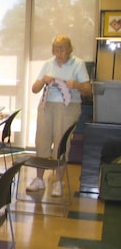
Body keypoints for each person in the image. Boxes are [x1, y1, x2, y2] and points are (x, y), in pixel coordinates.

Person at [27, 35, 91, 197]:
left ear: (69, 49)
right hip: (47, 106)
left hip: (68, 107)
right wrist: (43, 81)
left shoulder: (78, 64)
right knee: (42, 141)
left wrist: (74, 84)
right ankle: (39, 179)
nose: (58, 52)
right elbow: (34, 89)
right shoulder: (48, 64)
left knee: (62, 145)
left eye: (61, 49)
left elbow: (88, 89)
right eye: (55, 49)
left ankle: (58, 181)